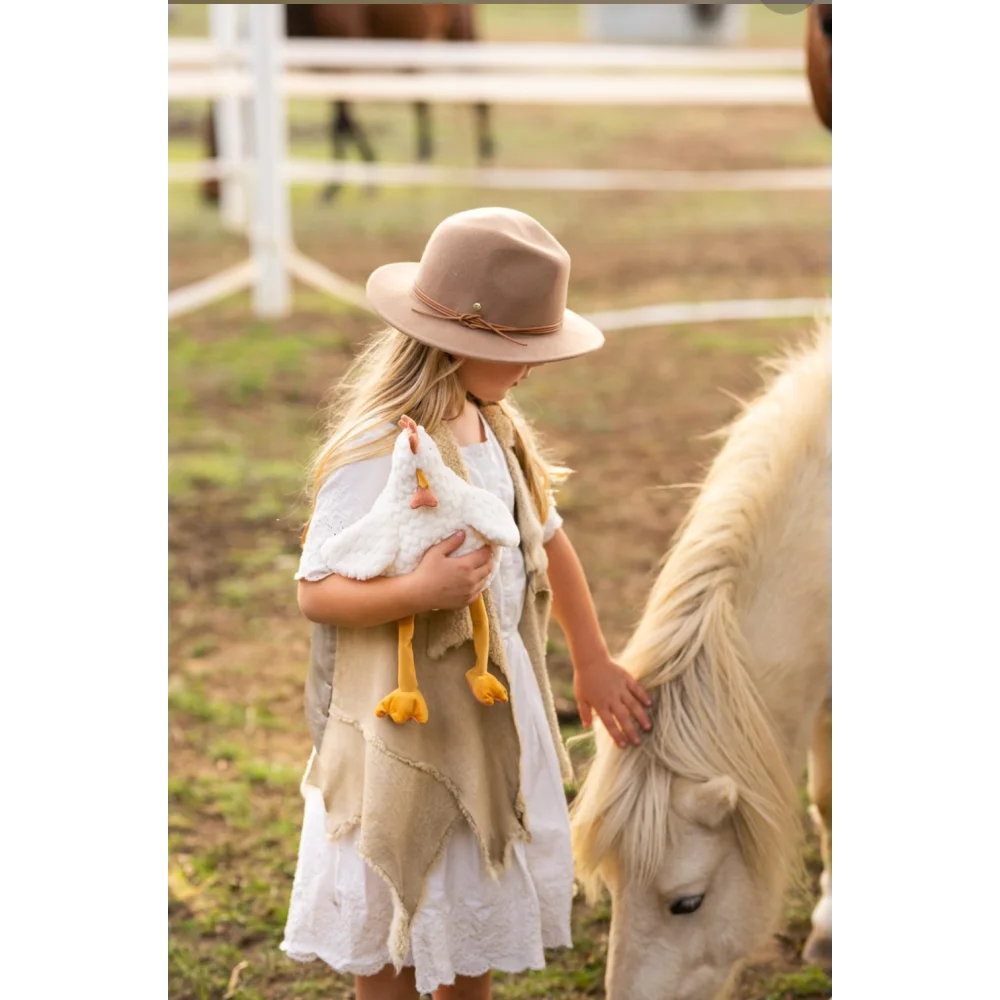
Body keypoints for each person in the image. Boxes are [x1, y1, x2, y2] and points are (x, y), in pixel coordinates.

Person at [280, 207, 652, 1000]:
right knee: (395, 931)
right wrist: (420, 591)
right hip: (407, 731)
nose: (532, 369)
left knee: (469, 912)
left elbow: (549, 541)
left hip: (488, 720)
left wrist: (591, 660)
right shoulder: (381, 450)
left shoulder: (498, 432)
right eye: (522, 351)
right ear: (464, 342)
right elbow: (316, 592)